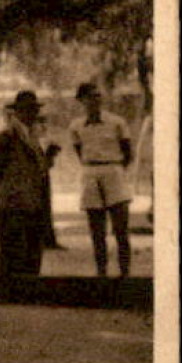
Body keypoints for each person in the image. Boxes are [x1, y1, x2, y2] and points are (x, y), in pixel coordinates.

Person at [69, 82, 134, 277]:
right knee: (97, 231)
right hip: (90, 172)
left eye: (98, 95)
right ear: (81, 101)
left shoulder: (117, 122)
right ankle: (101, 274)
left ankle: (125, 274)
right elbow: (80, 151)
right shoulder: (76, 126)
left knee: (121, 229)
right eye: (90, 96)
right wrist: (93, 166)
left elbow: (128, 153)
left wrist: (114, 168)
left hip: (113, 170)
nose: (95, 100)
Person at [0, 91, 50, 278]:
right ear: (18, 112)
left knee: (31, 254)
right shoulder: (7, 136)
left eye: (34, 110)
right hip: (13, 203)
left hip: (32, 203)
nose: (33, 114)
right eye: (29, 110)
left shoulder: (31, 136)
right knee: (12, 255)